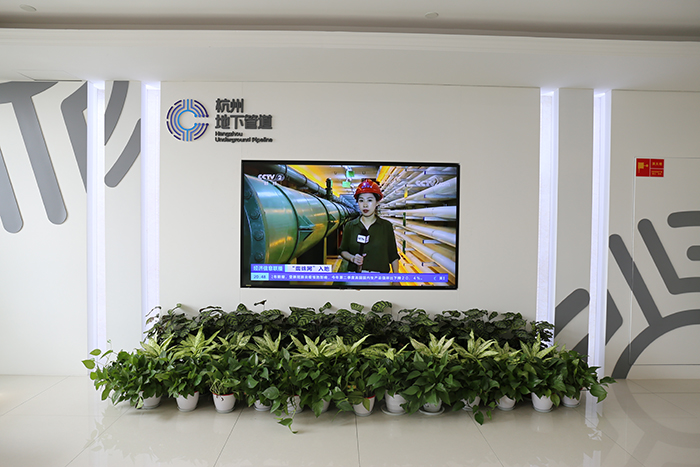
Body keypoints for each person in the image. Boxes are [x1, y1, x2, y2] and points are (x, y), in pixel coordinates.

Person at [339, 179, 400, 282]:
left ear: (377, 202)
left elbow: (393, 255)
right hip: (355, 278)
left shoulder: (386, 226)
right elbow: (342, 250)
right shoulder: (350, 226)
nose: (365, 205)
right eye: (361, 200)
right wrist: (352, 258)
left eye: (370, 200)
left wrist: (396, 279)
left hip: (380, 279)